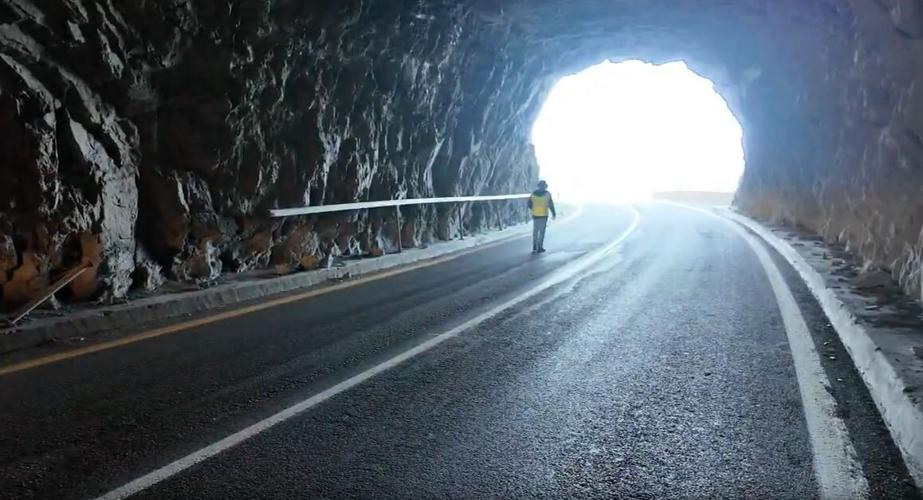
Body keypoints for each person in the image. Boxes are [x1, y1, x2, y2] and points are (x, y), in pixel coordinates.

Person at [527, 180, 556, 253]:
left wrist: (534, 208)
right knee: (542, 232)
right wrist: (553, 213)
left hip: (535, 215)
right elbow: (551, 205)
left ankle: (534, 247)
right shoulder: (547, 194)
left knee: (535, 231)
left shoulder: (533, 193)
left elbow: (529, 204)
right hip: (543, 215)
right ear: (545, 186)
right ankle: (540, 247)